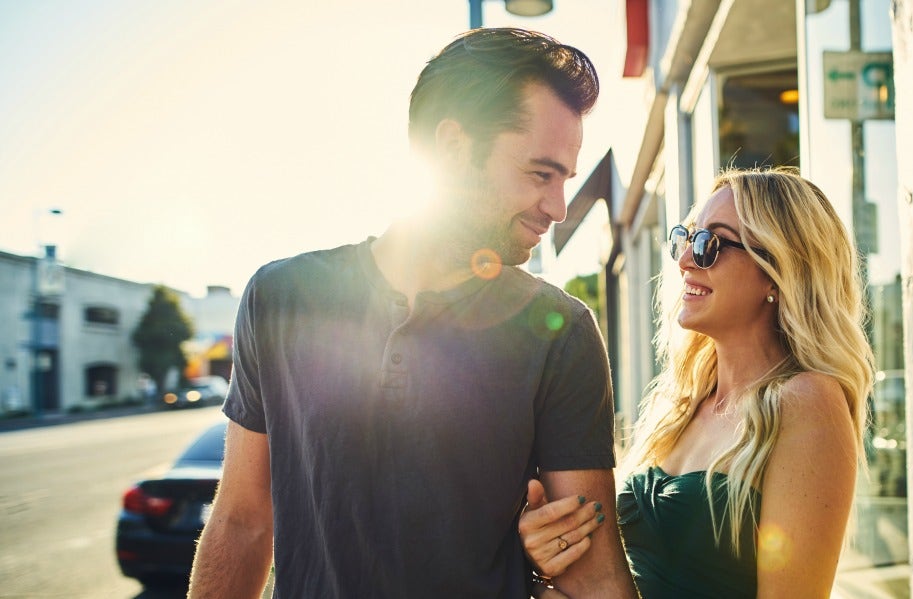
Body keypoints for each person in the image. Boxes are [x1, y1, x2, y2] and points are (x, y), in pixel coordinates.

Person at [188, 28, 638, 599]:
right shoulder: (280, 298)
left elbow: (594, 575)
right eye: (539, 174)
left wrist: (545, 576)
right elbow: (242, 520)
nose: (557, 207)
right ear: (452, 147)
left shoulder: (561, 332)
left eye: (565, 180)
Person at [519, 166, 875, 598]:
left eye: (710, 245)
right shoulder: (678, 405)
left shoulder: (806, 401)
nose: (686, 260)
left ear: (778, 271)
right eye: (685, 239)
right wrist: (550, 555)